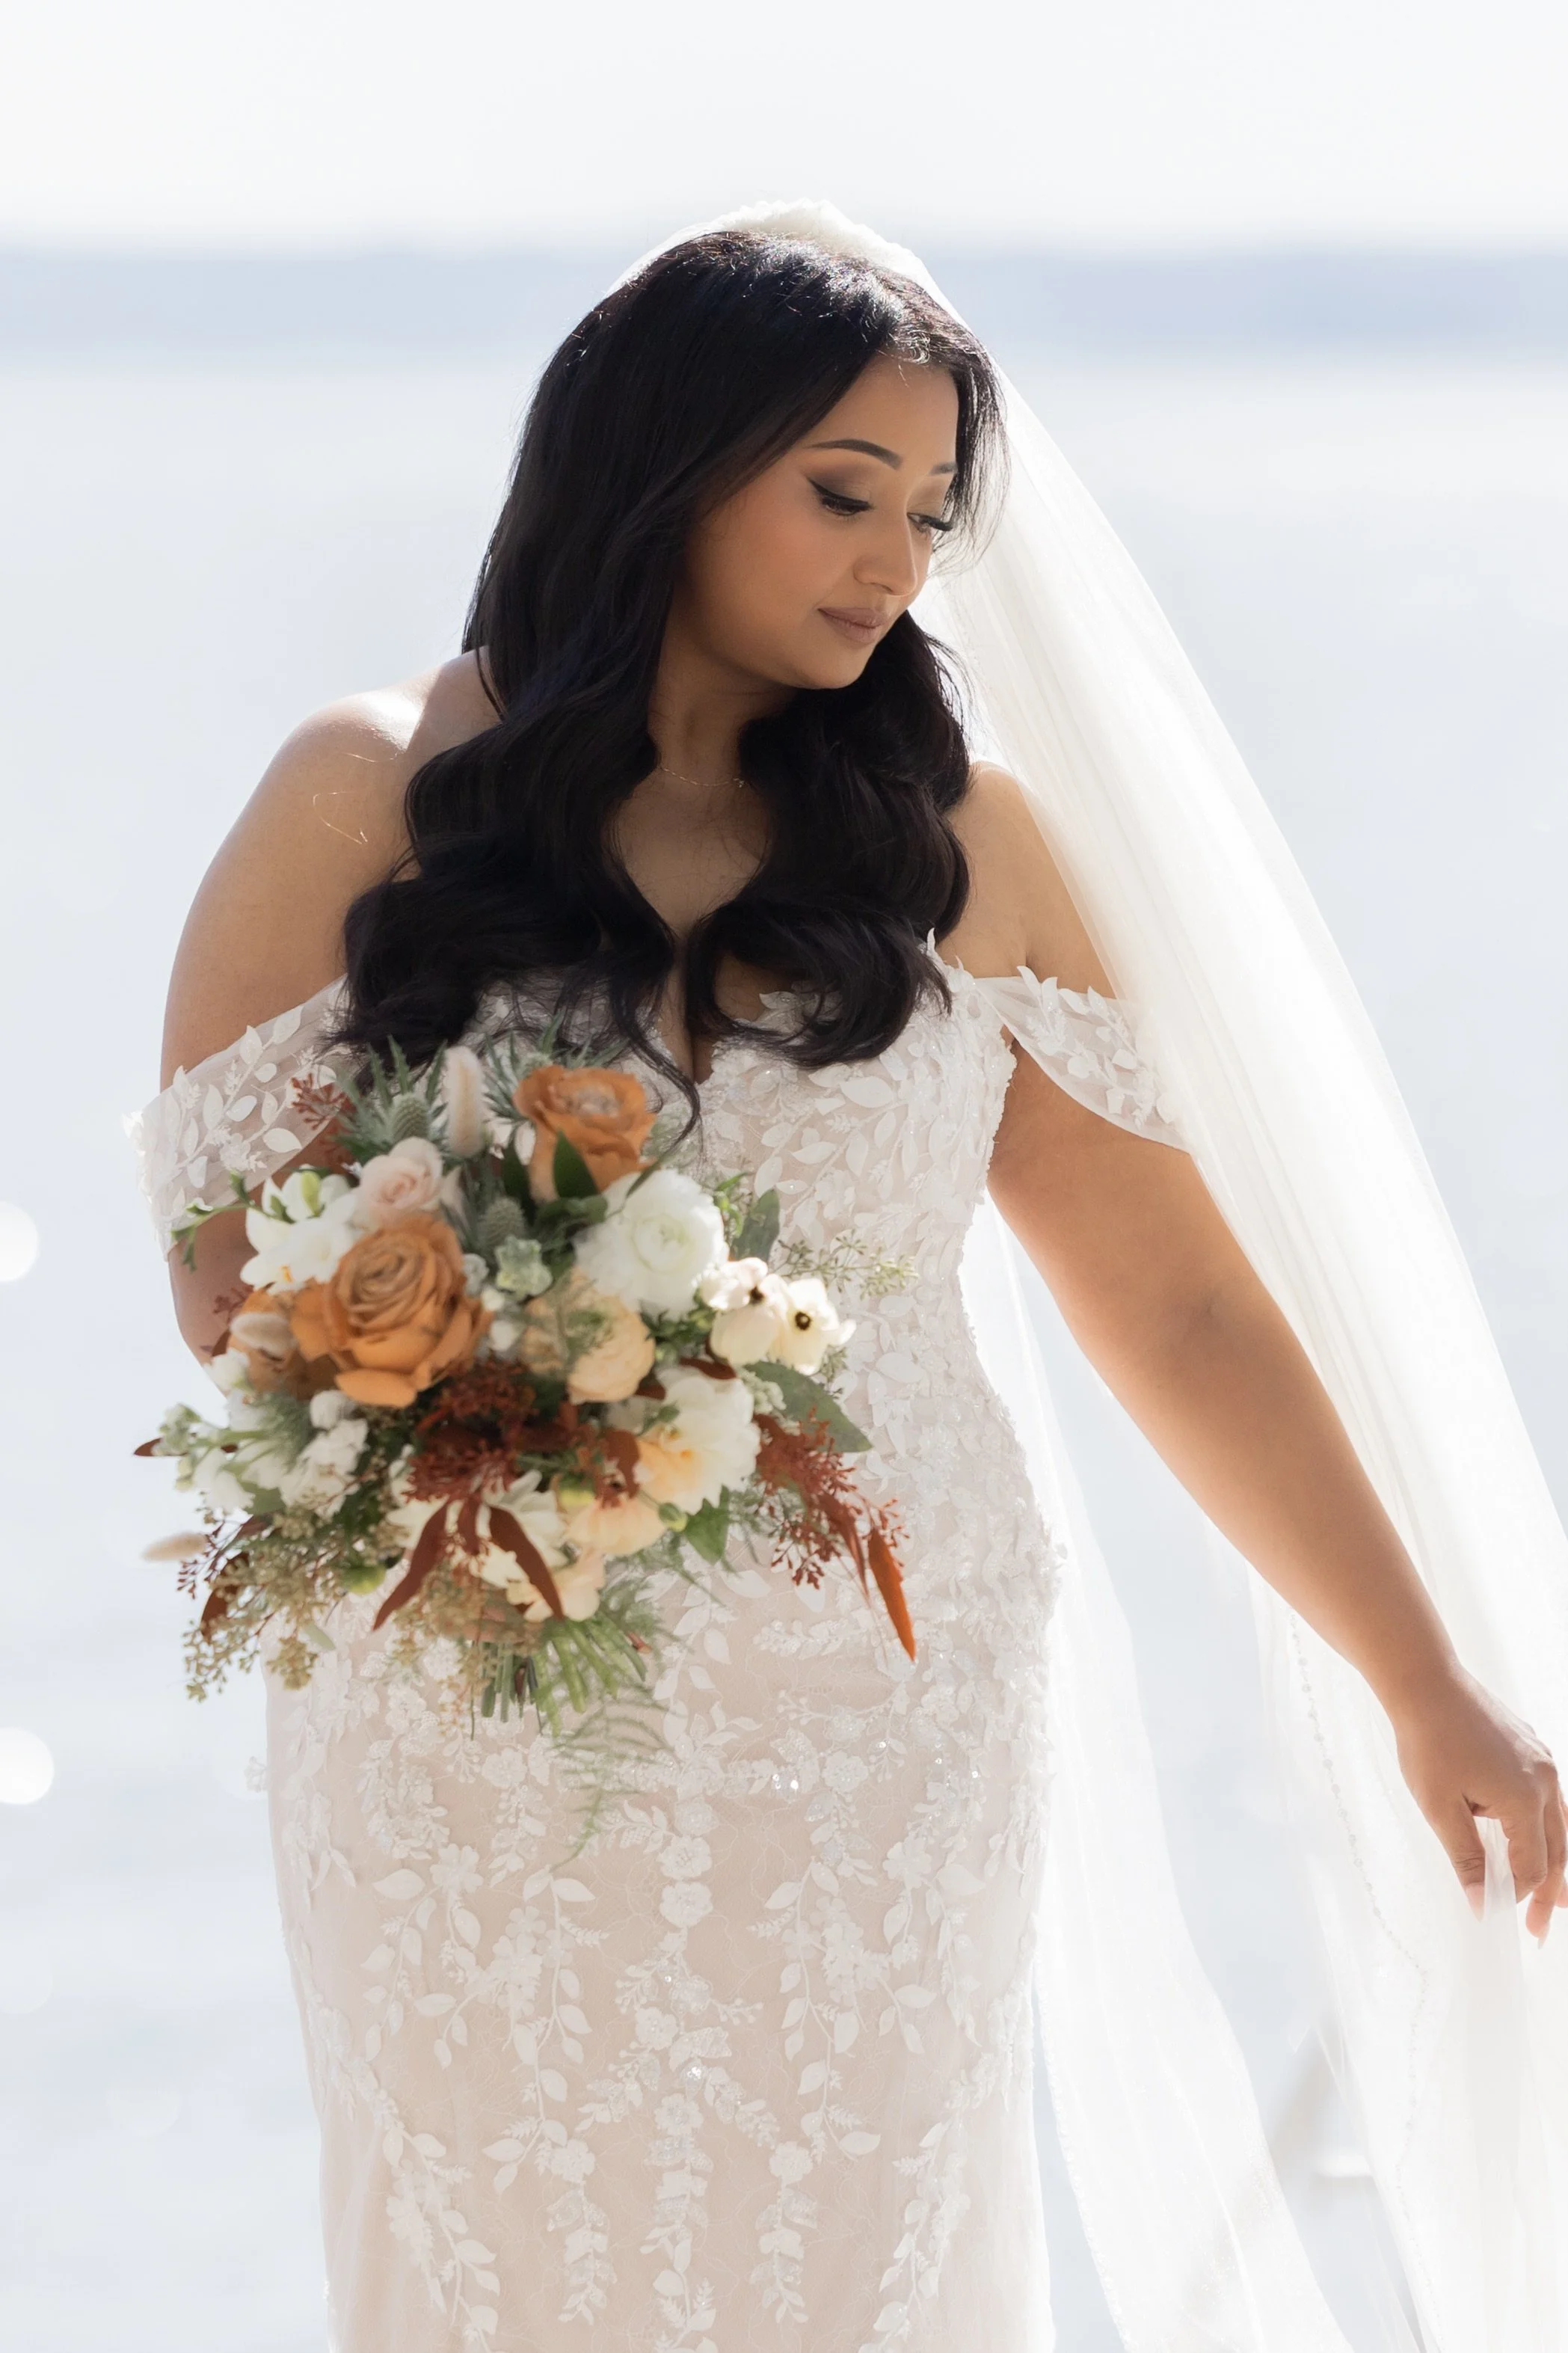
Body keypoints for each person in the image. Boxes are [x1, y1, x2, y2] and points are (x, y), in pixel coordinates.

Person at [134, 206, 1567, 2352]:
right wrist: (518, 1365)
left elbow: (1178, 1308)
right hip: (473, 1720)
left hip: (882, 1729)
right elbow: (223, 1275)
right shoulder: (369, 793)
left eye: (926, 510)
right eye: (842, 491)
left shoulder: (964, 848)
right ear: (670, 461)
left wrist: (1422, 1680)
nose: (898, 560)